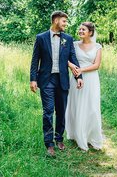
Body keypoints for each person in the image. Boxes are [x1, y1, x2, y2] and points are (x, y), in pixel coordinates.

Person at [30, 11, 84, 157]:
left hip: (62, 80)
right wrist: (33, 79)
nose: (66, 24)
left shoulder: (68, 38)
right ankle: (49, 144)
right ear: (55, 20)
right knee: (48, 112)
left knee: (61, 111)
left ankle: (59, 138)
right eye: (64, 21)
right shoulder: (41, 38)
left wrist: (79, 76)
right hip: (46, 80)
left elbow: (73, 58)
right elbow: (35, 60)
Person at [66, 21, 104, 151]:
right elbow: (65, 58)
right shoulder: (74, 45)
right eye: (80, 29)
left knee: (92, 107)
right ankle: (78, 136)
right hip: (76, 78)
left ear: (90, 32)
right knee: (77, 106)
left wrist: (82, 70)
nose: (80, 31)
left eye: (83, 30)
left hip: (92, 79)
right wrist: (74, 69)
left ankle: (92, 137)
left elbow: (96, 65)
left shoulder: (97, 46)